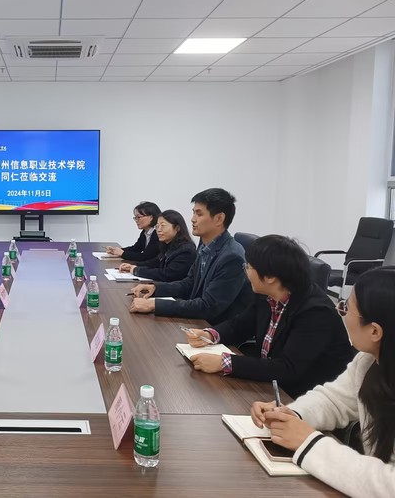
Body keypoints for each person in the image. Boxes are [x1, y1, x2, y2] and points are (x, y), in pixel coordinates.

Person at [250, 267, 395, 498]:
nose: (340, 311)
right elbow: (333, 400)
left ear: (375, 331)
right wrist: (291, 414)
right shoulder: (368, 361)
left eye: (346, 307)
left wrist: (310, 443)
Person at [184, 235, 353, 398]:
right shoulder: (267, 294)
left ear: (271, 277)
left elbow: (288, 368)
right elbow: (240, 325)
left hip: (303, 396)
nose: (246, 272)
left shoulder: (315, 313)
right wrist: (209, 335)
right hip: (270, 386)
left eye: (248, 267)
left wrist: (224, 362)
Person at [129, 188, 251, 325]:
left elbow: (208, 306)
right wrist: (156, 288)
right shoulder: (205, 245)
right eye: (193, 213)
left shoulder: (232, 257)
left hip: (213, 328)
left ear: (219, 218)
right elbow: (189, 283)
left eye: (199, 214)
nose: (192, 219)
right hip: (197, 320)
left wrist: (154, 305)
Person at [119, 210, 196, 282]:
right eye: (157, 226)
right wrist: (134, 265)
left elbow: (168, 274)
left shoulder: (186, 250)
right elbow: (156, 262)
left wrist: (137, 270)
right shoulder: (168, 244)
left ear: (177, 228)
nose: (158, 230)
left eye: (163, 226)